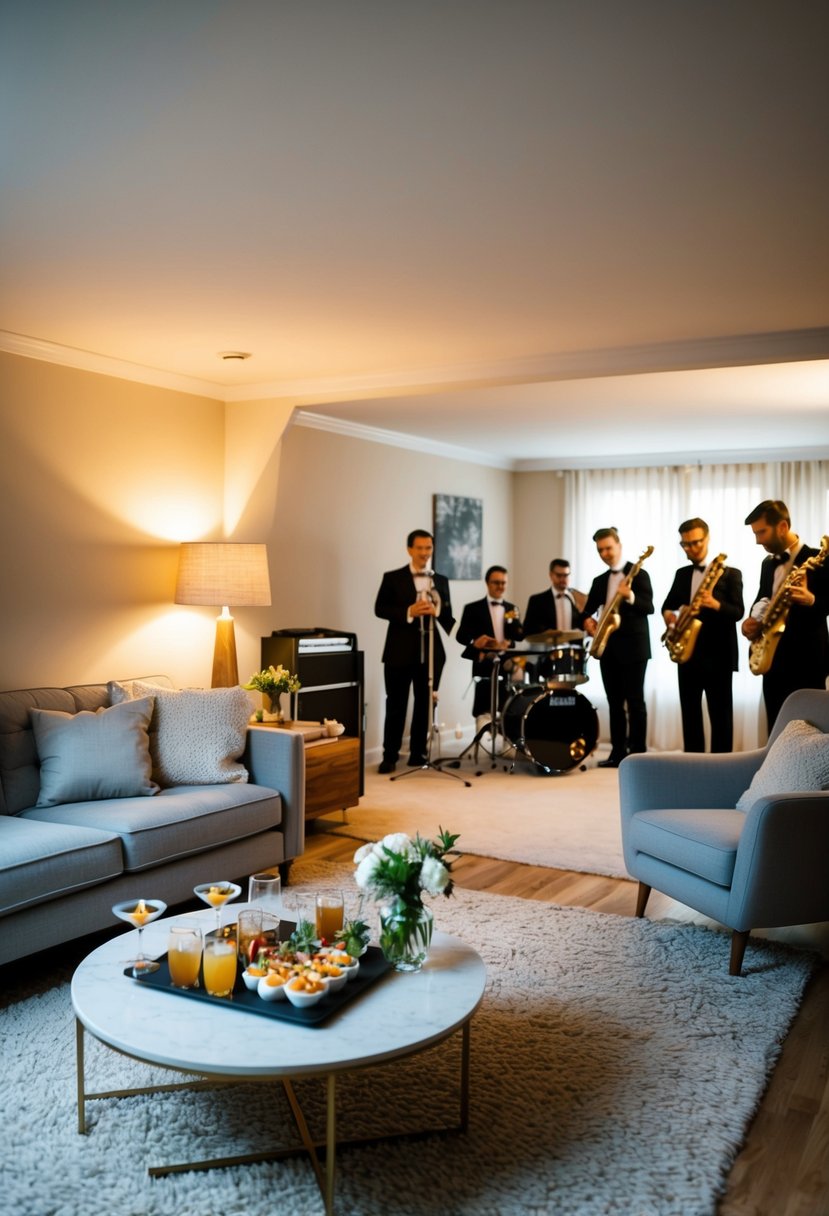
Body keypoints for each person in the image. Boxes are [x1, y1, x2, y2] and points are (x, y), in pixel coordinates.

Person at [740, 500, 829, 730]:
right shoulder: (767, 564)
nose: (758, 540)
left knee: (809, 730)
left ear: (782, 526)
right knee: (775, 728)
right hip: (773, 658)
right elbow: (762, 598)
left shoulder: (820, 558)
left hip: (808, 660)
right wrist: (751, 621)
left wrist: (811, 599)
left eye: (761, 532)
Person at [374, 529, 455, 773]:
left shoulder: (440, 580)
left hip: (431, 652)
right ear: (409, 549)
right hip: (399, 651)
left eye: (428, 548)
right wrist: (409, 611)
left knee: (424, 703)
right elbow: (380, 609)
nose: (424, 553)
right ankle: (390, 755)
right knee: (396, 703)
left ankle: (418, 753)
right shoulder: (392, 577)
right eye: (419, 548)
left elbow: (448, 616)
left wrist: (436, 611)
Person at [661, 517, 744, 752]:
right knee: (690, 714)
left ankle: (722, 766)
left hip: (719, 655)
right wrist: (671, 615)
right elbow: (667, 605)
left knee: (721, 716)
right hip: (687, 654)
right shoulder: (681, 574)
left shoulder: (731, 574)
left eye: (696, 542)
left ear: (707, 538)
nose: (691, 549)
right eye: (685, 545)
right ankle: (692, 764)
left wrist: (715, 604)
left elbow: (738, 612)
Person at [582, 527, 654, 767]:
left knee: (635, 702)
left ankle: (638, 754)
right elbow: (586, 611)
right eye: (600, 549)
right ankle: (617, 752)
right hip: (608, 648)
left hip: (635, 647)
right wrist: (587, 621)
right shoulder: (599, 581)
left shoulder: (639, 574)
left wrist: (630, 595)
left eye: (608, 548)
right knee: (614, 702)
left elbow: (648, 607)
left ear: (619, 545)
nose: (605, 553)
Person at [456, 565, 524, 733]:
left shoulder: (512, 609)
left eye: (504, 583)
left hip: (506, 664)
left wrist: (509, 643)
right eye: (496, 582)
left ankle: (507, 740)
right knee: (483, 709)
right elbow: (461, 637)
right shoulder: (472, 608)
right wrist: (477, 642)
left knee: (508, 706)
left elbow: (518, 637)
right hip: (484, 663)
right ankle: (485, 738)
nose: (500, 586)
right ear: (487, 583)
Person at [523, 559, 588, 635]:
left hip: (574, 646)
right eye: (559, 575)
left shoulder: (579, 598)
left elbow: (584, 625)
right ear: (551, 575)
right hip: (547, 645)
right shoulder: (537, 601)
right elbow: (527, 629)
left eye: (566, 575)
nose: (562, 579)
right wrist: (547, 632)